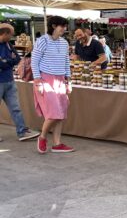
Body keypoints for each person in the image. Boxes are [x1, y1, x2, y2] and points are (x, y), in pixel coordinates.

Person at [31, 16, 74, 154]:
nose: (65, 29)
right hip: (45, 79)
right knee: (54, 113)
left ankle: (57, 143)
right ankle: (42, 137)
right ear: (54, 26)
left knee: (61, 112)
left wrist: (68, 80)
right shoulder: (42, 41)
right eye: (63, 26)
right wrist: (37, 81)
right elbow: (34, 61)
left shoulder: (64, 43)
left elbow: (67, 62)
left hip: (60, 80)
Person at [0, 24, 40, 142]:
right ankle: (22, 131)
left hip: (9, 80)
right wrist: (8, 62)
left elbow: (17, 58)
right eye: (11, 34)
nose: (12, 36)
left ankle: (22, 132)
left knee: (15, 108)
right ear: (5, 33)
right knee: (15, 107)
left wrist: (5, 61)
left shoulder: (8, 44)